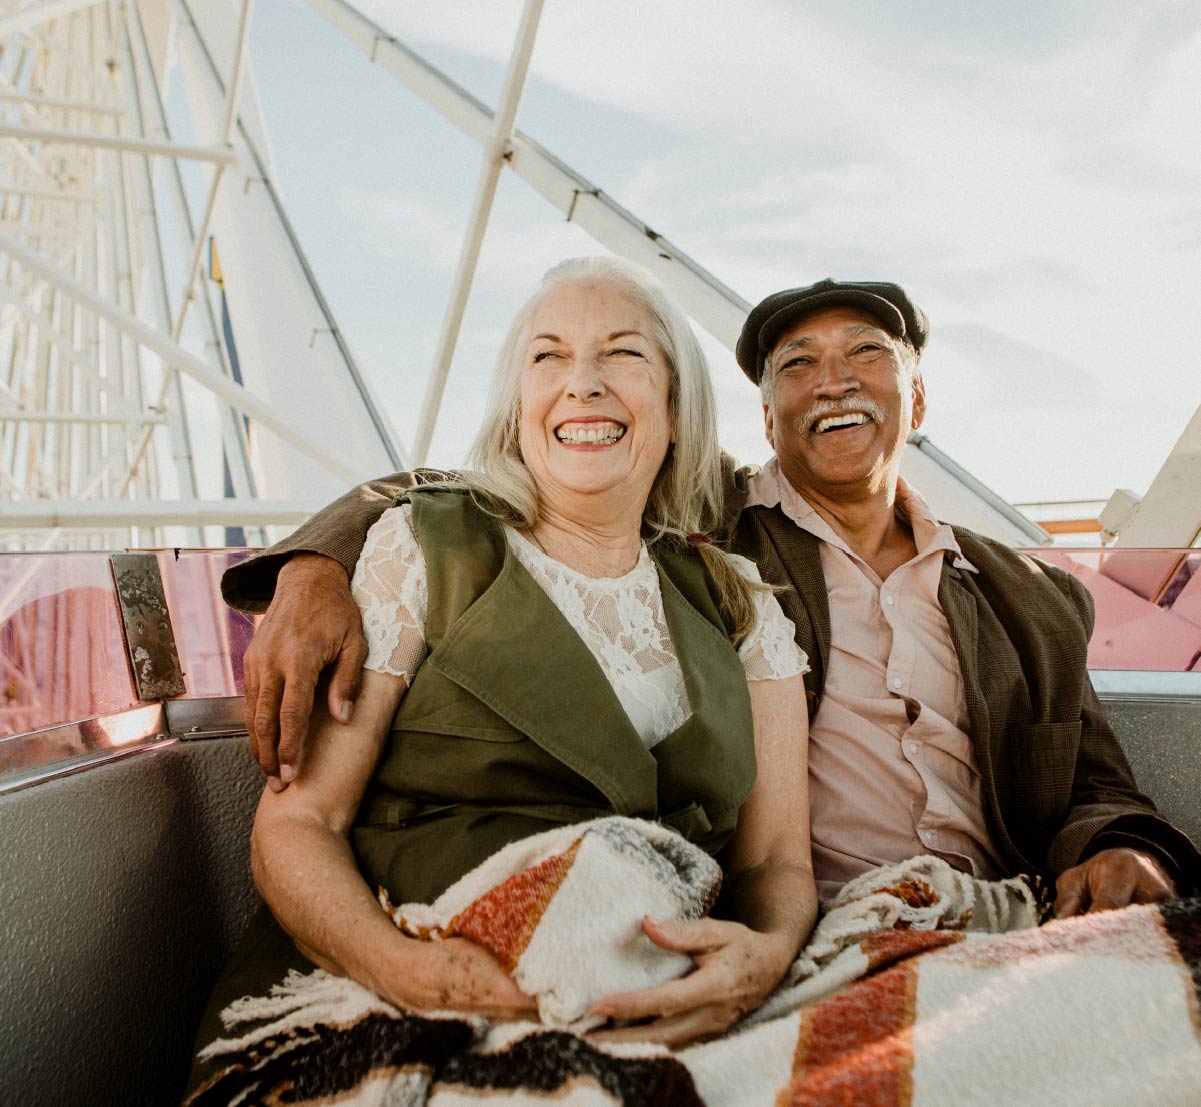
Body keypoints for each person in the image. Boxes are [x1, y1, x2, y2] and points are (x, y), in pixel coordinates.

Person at [223, 277, 1200, 917]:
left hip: (1007, 908)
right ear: (763, 414)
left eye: (865, 354)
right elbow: (483, 486)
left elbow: (1098, 787)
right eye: (796, 368)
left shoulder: (1033, 596)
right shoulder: (712, 537)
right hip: (825, 917)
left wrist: (1127, 851)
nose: (833, 384)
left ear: (918, 394)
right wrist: (313, 568)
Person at [188, 257, 818, 1092]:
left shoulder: (736, 602)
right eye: (547, 357)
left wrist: (765, 955)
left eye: (623, 354)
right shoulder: (424, 550)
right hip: (400, 984)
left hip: (663, 998)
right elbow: (296, 825)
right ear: (516, 405)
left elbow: (774, 859)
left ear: (674, 406)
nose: (582, 384)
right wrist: (408, 971)